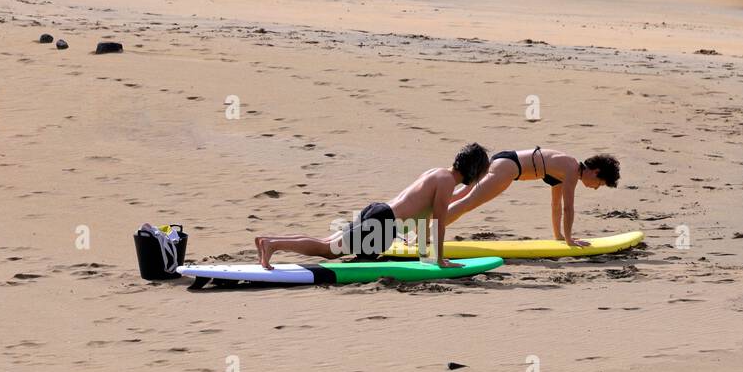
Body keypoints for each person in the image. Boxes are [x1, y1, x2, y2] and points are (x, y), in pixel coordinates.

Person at [255, 143, 490, 269]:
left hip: (378, 211)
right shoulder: (447, 183)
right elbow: (438, 222)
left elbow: (423, 215)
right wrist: (438, 260)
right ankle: (274, 245)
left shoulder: (438, 174)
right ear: (473, 170)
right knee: (327, 250)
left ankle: (269, 241)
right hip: (383, 223)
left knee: (328, 242)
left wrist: (422, 254)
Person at [446, 146, 620, 246]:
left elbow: (556, 206)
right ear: (596, 172)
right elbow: (568, 208)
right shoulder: (572, 170)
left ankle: (422, 221)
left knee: (457, 196)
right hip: (508, 168)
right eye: (601, 184)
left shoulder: (565, 168)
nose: (597, 188)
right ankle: (426, 235)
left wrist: (559, 236)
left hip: (505, 161)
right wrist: (570, 241)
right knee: (466, 203)